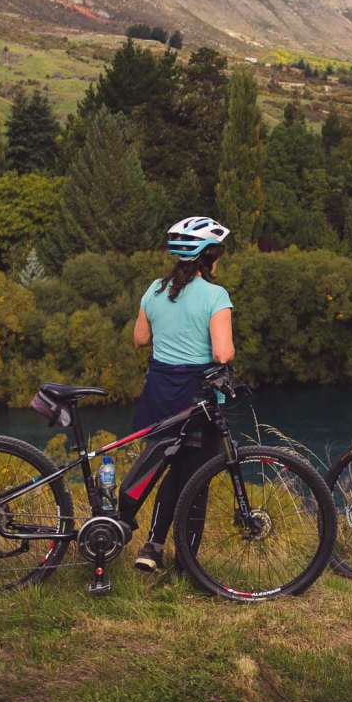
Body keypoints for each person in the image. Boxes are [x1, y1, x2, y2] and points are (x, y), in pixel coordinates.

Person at [130, 216, 235, 574]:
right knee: (196, 480)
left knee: (169, 472)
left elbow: (140, 339)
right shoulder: (215, 295)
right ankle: (186, 563)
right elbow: (222, 354)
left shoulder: (154, 289)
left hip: (159, 393)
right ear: (210, 256)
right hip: (197, 397)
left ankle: (152, 547)